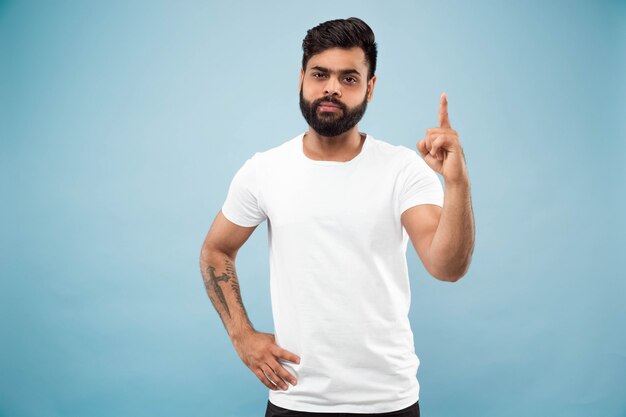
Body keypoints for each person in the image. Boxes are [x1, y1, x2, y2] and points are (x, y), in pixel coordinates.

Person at [199, 17, 475, 417]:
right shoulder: (264, 170)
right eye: (320, 74)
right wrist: (241, 336)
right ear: (302, 79)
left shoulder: (402, 169)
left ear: (370, 87)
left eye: (349, 78)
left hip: (387, 400)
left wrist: (458, 184)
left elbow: (447, 266)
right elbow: (216, 250)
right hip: (296, 399)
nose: (331, 87)